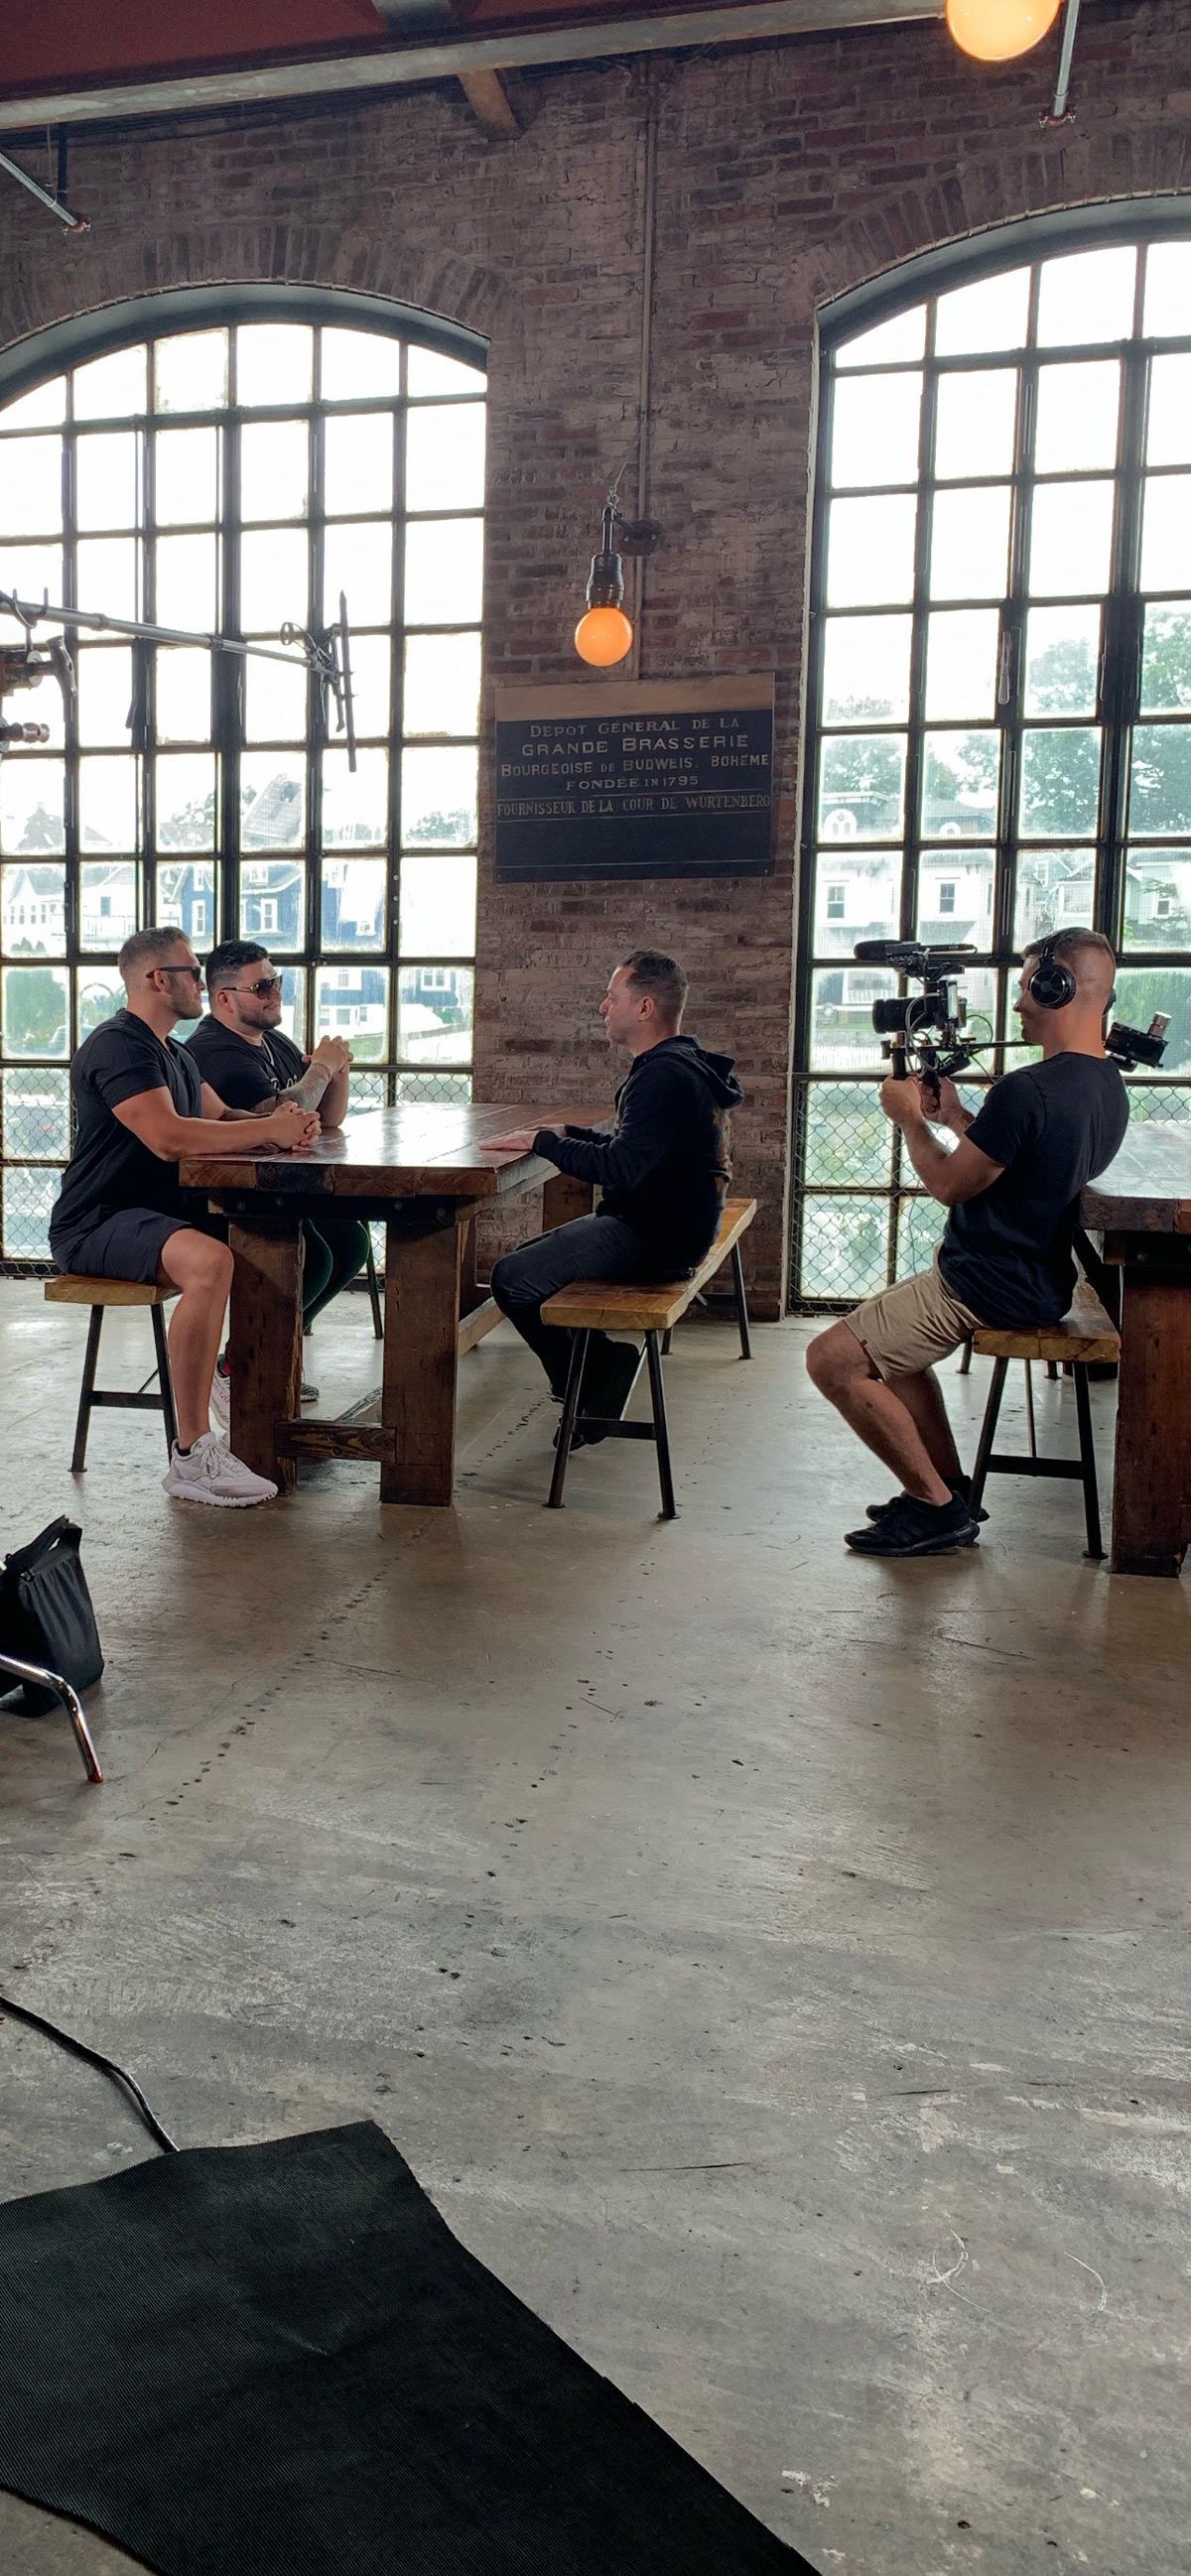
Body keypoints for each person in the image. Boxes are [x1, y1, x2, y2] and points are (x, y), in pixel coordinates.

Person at [806, 927, 1129, 1558]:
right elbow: (1017, 1159)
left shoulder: (1027, 1090)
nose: (1016, 1007)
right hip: (1037, 1276)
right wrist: (951, 1116)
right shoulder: (1104, 1085)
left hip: (983, 1285)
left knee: (831, 1360)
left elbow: (952, 1186)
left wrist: (907, 1121)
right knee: (891, 1348)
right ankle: (950, 1486)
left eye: (1026, 990)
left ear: (1055, 986)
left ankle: (935, 1507)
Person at [49, 926, 319, 1508]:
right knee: (210, 1260)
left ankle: (251, 1399)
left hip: (154, 1213)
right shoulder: (119, 1045)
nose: (201, 981)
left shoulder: (171, 1050)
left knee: (280, 1236)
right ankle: (193, 1454)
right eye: (192, 972)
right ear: (156, 979)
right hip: (97, 1222)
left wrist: (282, 1131)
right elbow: (169, 1137)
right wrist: (267, 1130)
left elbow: (220, 1117)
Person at [487, 950, 743, 1435]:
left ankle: (596, 1378)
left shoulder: (662, 1075)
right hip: (670, 1223)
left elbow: (622, 1169)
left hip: (658, 1236)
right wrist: (569, 1134)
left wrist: (545, 1143)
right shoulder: (677, 1062)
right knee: (526, 1261)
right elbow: (643, 1153)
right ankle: (593, 1377)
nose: (603, 1008)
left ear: (644, 1008)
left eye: (612, 997)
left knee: (513, 1279)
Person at [186, 941, 370, 1427]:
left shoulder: (272, 1041)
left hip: (279, 1183)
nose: (274, 994)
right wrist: (322, 1069)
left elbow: (326, 1120)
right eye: (262, 986)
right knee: (318, 1257)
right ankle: (240, 1363)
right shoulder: (214, 1052)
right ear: (224, 998)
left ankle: (278, 1348)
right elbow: (278, 1115)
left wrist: (338, 1071)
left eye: (277, 981)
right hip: (232, 1193)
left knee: (351, 1242)